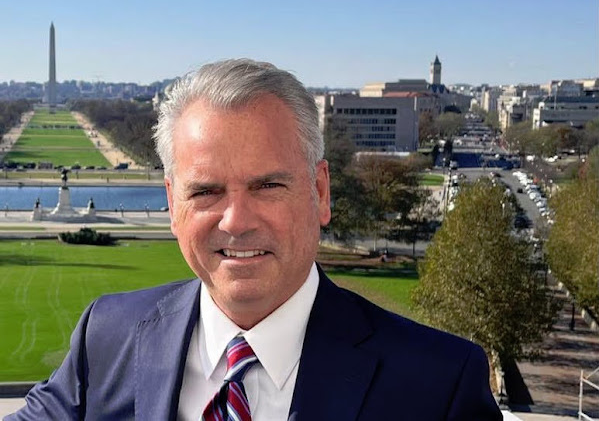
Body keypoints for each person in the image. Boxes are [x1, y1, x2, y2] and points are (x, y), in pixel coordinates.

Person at [6, 59, 501, 420]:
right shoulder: (107, 335)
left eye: (267, 186)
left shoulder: (438, 385)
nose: (236, 221)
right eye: (206, 191)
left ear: (320, 192)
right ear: (173, 205)